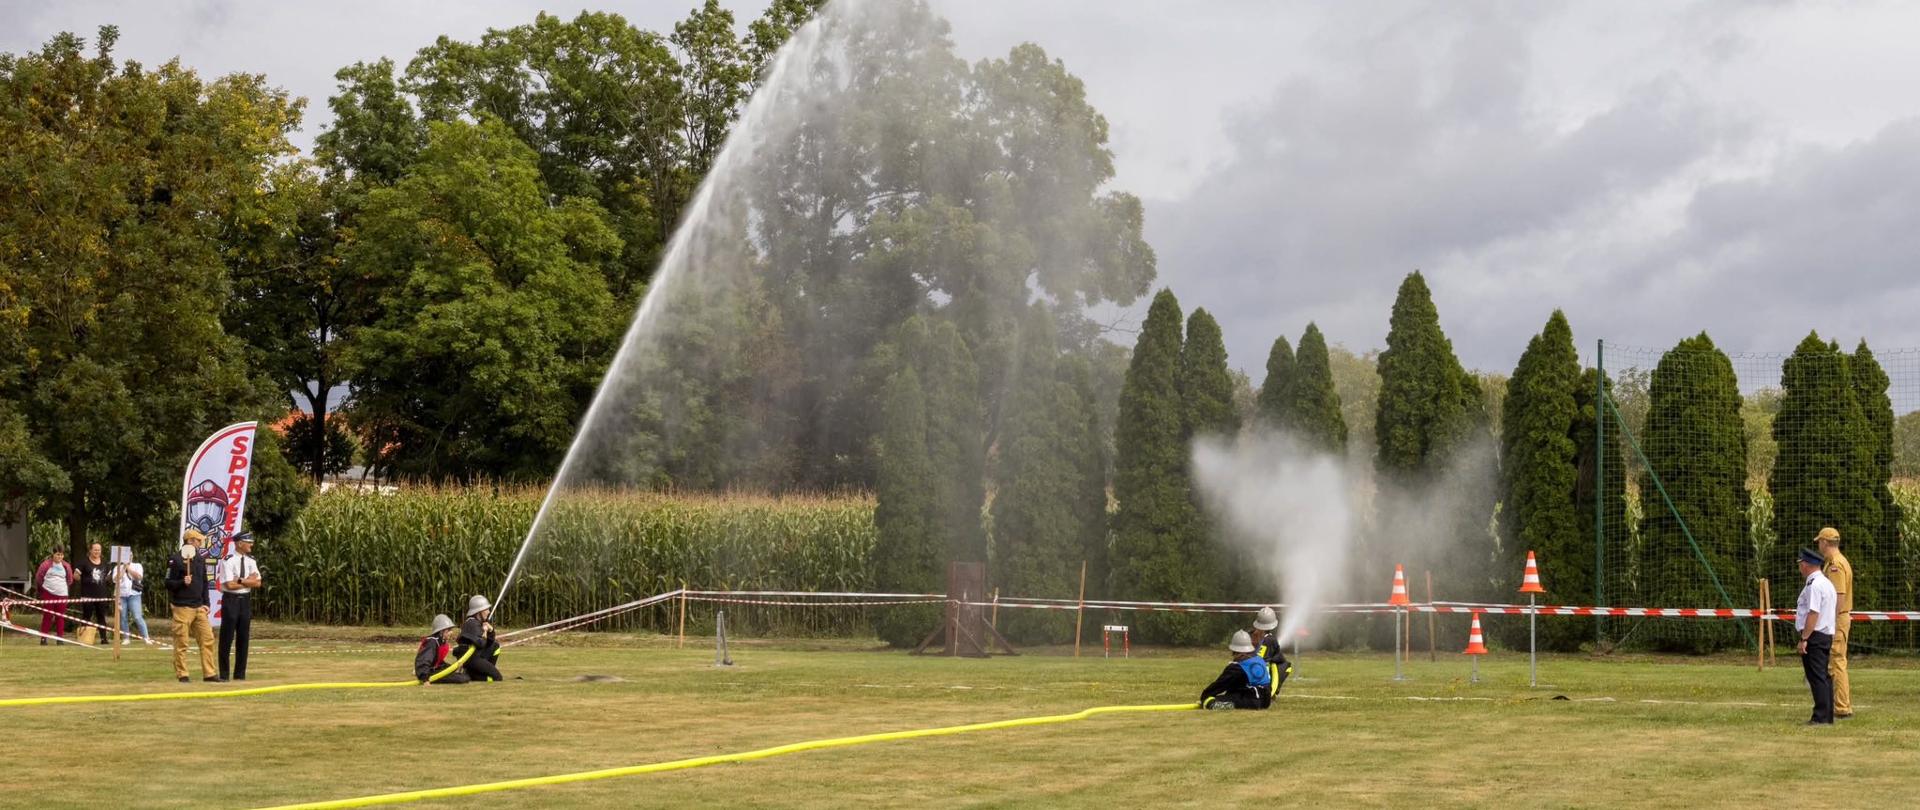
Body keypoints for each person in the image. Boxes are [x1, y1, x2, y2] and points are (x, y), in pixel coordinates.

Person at [167, 530, 221, 683]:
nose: (200, 543)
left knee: (208, 639)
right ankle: (182, 674)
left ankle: (209, 674)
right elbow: (168, 583)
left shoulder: (199, 559)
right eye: (198, 540)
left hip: (199, 607)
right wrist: (182, 582)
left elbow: (205, 583)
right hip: (182, 607)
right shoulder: (175, 559)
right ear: (190, 540)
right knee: (182, 642)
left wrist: (206, 603)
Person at [1794, 548, 1837, 726]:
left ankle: (1820, 716)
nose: (1799, 567)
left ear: (1806, 564)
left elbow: (1813, 613)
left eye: (1800, 564)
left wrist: (1804, 638)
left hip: (1814, 634)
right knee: (1823, 676)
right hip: (1825, 633)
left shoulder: (1814, 585)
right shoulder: (1826, 583)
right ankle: (1827, 715)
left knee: (1816, 676)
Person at [1816, 527, 1854, 720]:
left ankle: (1842, 707)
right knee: (1835, 662)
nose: (1818, 545)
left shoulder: (1835, 565)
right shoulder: (1835, 562)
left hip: (1837, 618)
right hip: (1838, 618)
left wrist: (1829, 620)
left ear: (1825, 542)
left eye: (1819, 542)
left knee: (1837, 661)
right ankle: (1838, 704)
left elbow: (1839, 596)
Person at [216, 532, 262, 681]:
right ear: (239, 543)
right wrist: (248, 581)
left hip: (245, 600)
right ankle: (224, 674)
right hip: (231, 600)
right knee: (227, 637)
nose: (251, 545)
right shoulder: (228, 560)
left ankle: (240, 674)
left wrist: (241, 580)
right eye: (248, 542)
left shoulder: (251, 561)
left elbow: (258, 583)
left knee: (243, 638)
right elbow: (229, 584)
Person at [1199, 630, 1272, 710]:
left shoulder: (1237, 667)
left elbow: (1220, 684)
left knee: (1212, 701)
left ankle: (1220, 705)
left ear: (1235, 650)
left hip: (1251, 700)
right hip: (1266, 700)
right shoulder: (1259, 659)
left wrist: (1205, 696)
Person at [455, 595, 504, 683]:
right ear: (479, 612)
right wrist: (484, 631)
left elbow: (489, 643)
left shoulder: (477, 622)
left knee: (495, 646)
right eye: (486, 609)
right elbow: (481, 643)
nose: (489, 612)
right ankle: (472, 675)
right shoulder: (472, 624)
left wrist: (491, 630)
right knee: (497, 677)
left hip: (476, 655)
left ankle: (482, 671)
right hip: (470, 659)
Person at [32, 547, 76, 644]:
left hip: (62, 594)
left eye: (61, 555)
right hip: (48, 593)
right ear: (53, 554)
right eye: (57, 554)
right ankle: (44, 638)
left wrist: (61, 587)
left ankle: (60, 639)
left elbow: (70, 580)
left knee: (60, 617)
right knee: (47, 616)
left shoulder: (66, 566)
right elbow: (39, 578)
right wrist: (44, 589)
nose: (59, 557)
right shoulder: (45, 565)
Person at [74, 543, 114, 644]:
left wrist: (111, 578)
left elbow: (109, 577)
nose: (97, 552)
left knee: (101, 617)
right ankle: (83, 638)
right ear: (90, 551)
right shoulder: (84, 562)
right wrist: (79, 577)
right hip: (87, 595)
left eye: (99, 550)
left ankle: (104, 638)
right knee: (86, 616)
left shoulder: (105, 563)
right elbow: (76, 575)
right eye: (95, 550)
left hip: (101, 595)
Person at [415, 614, 470, 684]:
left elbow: (437, 662)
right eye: (449, 630)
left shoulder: (440, 642)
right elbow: (424, 660)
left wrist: (454, 667)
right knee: (462, 678)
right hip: (430, 673)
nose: (451, 632)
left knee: (462, 675)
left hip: (434, 669)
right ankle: (422, 674)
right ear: (441, 631)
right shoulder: (432, 642)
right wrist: (424, 678)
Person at [1250, 606, 1292, 695]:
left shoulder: (1250, 635)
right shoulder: (1271, 640)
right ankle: (1271, 693)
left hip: (1246, 673)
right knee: (1286, 665)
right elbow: (1267, 662)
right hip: (1260, 677)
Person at [116, 555, 151, 644]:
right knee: (123, 617)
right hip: (121, 595)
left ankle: (146, 637)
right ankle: (126, 638)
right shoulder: (117, 567)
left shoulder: (137, 565)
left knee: (137, 617)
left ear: (132, 556)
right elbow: (116, 579)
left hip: (134, 595)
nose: (128, 557)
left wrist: (128, 568)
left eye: (130, 555)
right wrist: (123, 568)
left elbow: (139, 577)